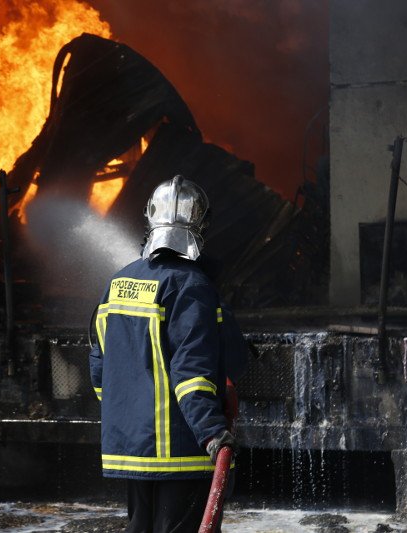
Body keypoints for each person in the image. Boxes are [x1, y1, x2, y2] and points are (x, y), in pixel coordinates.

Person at [89, 175, 248, 533]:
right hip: (182, 449)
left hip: (132, 450)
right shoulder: (191, 287)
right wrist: (212, 433)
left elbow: (100, 366)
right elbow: (192, 371)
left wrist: (131, 413)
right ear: (202, 224)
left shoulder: (118, 282)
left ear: (150, 218)